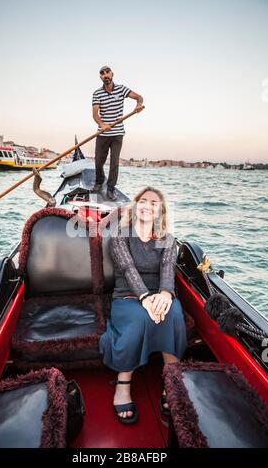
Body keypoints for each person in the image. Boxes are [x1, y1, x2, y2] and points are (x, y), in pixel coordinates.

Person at [99, 187, 187, 424]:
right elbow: (128, 270)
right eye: (143, 201)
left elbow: (168, 269)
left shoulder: (166, 239)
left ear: (160, 211)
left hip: (159, 294)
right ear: (136, 205)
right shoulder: (120, 235)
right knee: (139, 319)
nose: (147, 206)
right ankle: (123, 383)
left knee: (174, 314)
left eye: (154, 203)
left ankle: (172, 379)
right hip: (128, 295)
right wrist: (145, 299)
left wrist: (166, 295)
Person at [92, 65, 144, 201]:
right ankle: (99, 181)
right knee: (99, 161)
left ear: (112, 74)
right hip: (102, 133)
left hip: (117, 133)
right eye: (102, 73)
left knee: (114, 162)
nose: (105, 75)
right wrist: (102, 125)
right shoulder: (97, 93)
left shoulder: (121, 89)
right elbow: (95, 114)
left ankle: (110, 189)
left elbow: (139, 97)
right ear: (100, 77)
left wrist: (138, 105)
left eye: (107, 72)